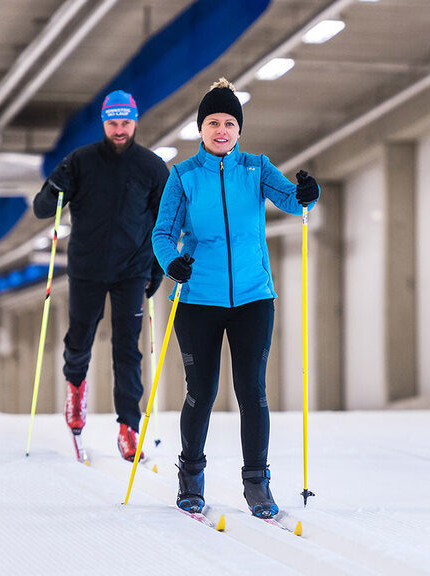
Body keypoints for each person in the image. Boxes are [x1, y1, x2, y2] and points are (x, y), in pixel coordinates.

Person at [151, 78, 320, 518]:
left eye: (229, 122)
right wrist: (172, 263)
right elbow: (163, 233)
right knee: (201, 392)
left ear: (239, 129)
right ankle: (190, 477)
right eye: (213, 122)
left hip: (252, 298)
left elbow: (291, 200)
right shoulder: (183, 176)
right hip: (197, 299)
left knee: (252, 391)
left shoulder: (256, 167)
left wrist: (307, 194)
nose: (221, 130)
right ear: (200, 129)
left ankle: (257, 483)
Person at [33, 90, 169, 461]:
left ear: (136, 121)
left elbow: (164, 223)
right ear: (104, 123)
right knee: (79, 339)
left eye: (126, 123)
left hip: (131, 271)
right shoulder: (80, 162)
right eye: (113, 123)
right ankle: (76, 389)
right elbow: (42, 208)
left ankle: (128, 426)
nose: (120, 130)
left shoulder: (153, 168)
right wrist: (54, 187)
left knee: (128, 350)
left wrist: (156, 269)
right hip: (87, 269)